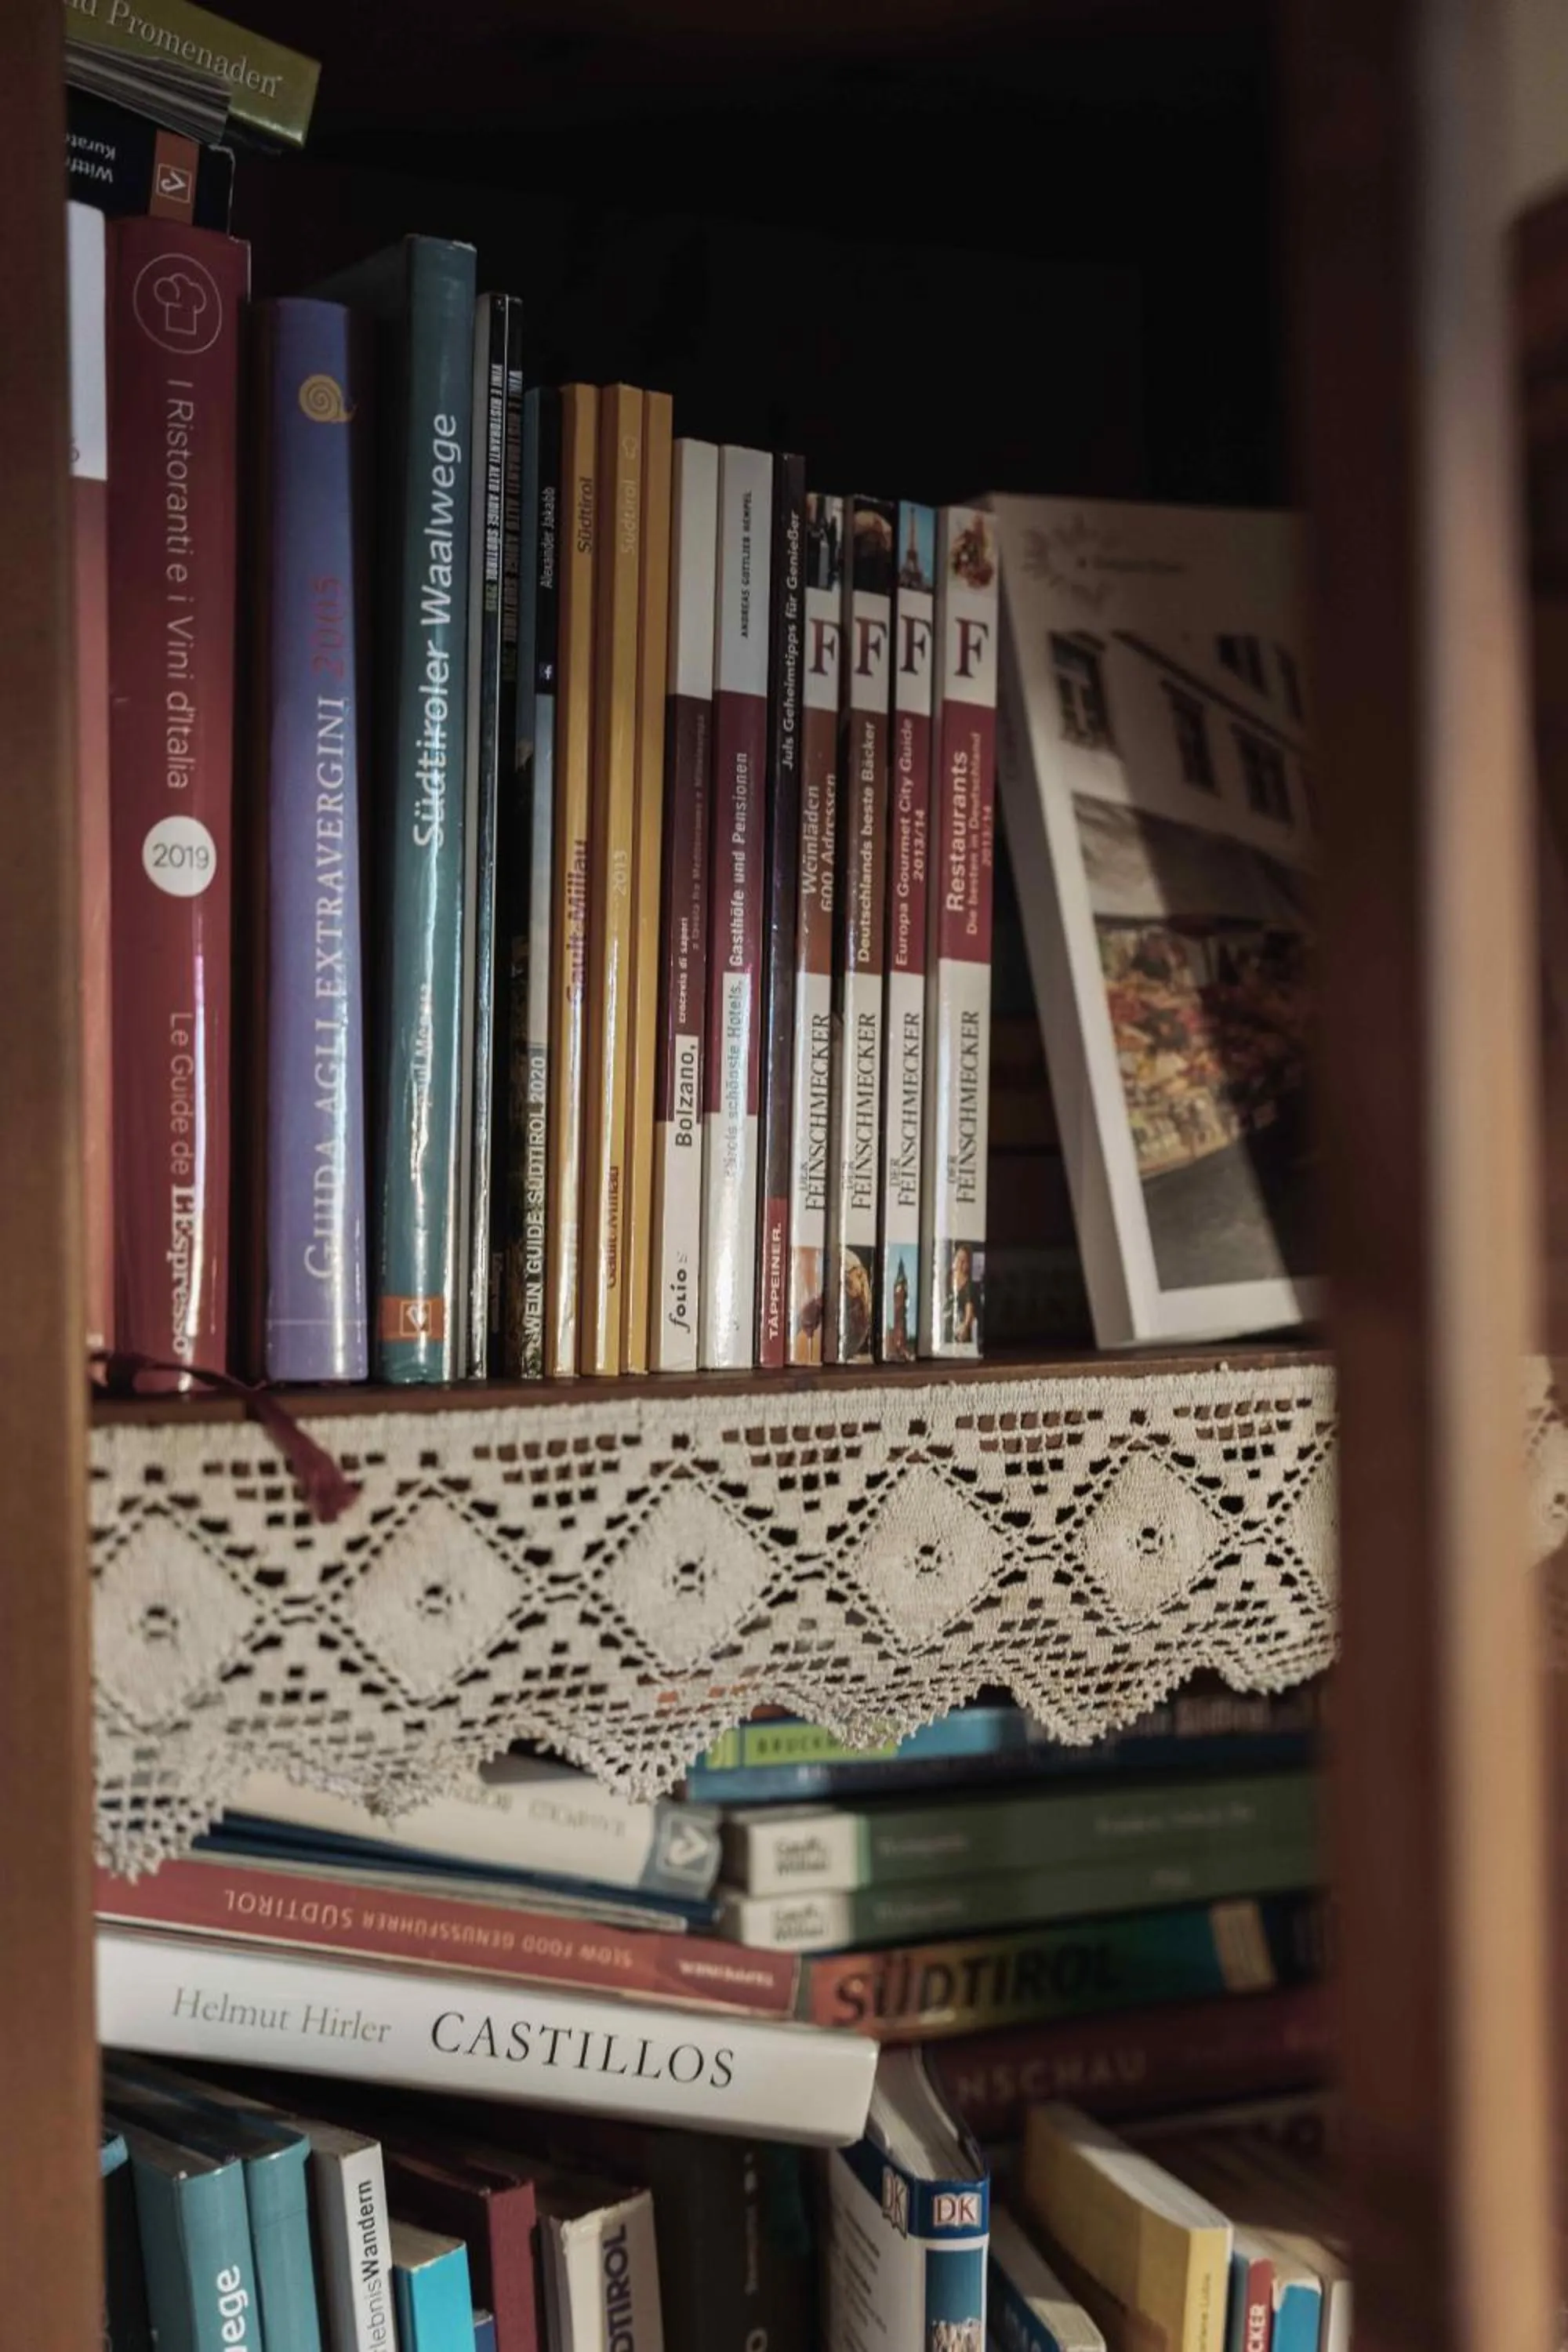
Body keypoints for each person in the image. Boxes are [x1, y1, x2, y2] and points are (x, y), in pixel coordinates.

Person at [945, 1243, 979, 1348]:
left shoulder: (969, 1286)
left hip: (960, 1323)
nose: (960, 1263)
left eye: (964, 1261)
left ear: (968, 1265)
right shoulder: (948, 1277)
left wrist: (965, 1326)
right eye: (958, 1258)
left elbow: (969, 1308)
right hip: (946, 1320)